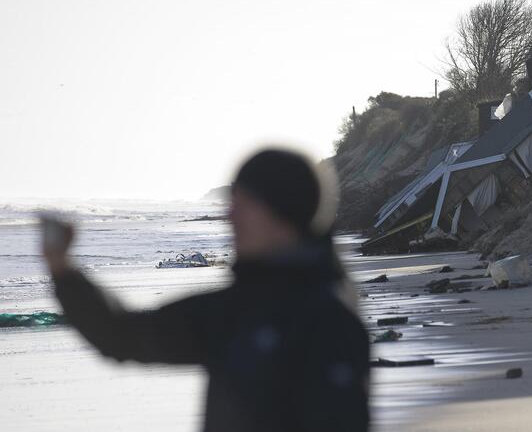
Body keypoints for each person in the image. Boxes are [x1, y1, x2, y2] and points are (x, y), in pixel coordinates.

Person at [42, 149, 370, 432]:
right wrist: (63, 270)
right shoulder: (235, 308)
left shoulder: (330, 319)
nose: (230, 215)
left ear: (283, 212)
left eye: (244, 202)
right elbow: (122, 335)